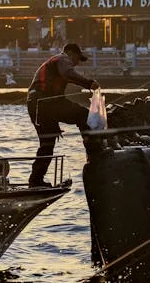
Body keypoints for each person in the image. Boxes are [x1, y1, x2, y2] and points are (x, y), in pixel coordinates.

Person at [27, 43, 100, 188]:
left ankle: (35, 181)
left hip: (35, 104)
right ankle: (94, 153)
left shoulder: (56, 62)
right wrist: (88, 83)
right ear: (71, 53)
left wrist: (54, 124)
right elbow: (68, 74)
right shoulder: (62, 59)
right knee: (83, 114)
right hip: (45, 102)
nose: (77, 63)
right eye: (78, 59)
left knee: (47, 143)